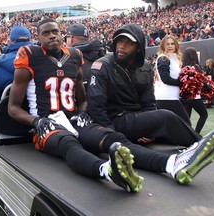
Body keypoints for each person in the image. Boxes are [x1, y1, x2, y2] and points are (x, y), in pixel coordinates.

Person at [8, 18, 143, 193]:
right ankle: (107, 170)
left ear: (62, 34)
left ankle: (168, 163)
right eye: (46, 33)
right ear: (38, 37)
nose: (51, 36)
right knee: (68, 142)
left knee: (112, 137)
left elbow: (82, 99)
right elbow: (12, 107)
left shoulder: (74, 56)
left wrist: (82, 112)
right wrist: (36, 121)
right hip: (46, 124)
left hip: (71, 119)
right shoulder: (29, 55)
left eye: (55, 32)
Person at [87, 23, 214, 184]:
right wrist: (115, 136)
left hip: (135, 119)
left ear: (138, 47)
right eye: (119, 41)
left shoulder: (145, 67)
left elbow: (148, 104)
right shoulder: (102, 66)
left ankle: (208, 150)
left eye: (128, 43)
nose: (122, 46)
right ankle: (210, 149)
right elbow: (96, 109)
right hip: (115, 122)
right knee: (166, 117)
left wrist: (149, 130)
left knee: (170, 126)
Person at [0, 26, 33, 138]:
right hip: (39, 122)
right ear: (30, 40)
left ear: (9, 41)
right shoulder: (44, 59)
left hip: (9, 127)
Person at [153, 35, 191, 125]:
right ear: (163, 46)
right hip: (166, 97)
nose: (170, 46)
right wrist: (184, 83)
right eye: (168, 44)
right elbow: (165, 79)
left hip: (171, 97)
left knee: (172, 125)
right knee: (185, 124)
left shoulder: (173, 59)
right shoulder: (163, 58)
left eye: (172, 44)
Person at [180, 47, 208, 134]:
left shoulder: (182, 67)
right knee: (204, 115)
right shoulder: (196, 67)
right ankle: (196, 134)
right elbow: (203, 82)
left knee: (186, 119)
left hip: (183, 97)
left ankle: (186, 135)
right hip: (194, 96)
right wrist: (208, 88)